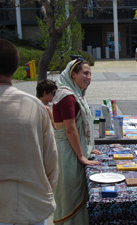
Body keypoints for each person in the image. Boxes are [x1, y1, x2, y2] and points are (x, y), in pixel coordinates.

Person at [0, 39, 58, 225]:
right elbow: (51, 159)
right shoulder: (34, 105)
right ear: (15, 66)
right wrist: (47, 192)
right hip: (32, 203)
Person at [52, 59, 101, 225]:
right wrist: (82, 155)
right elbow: (70, 129)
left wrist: (87, 148)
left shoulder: (76, 94)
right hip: (67, 153)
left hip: (72, 148)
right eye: (85, 73)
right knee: (70, 195)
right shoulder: (67, 96)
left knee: (75, 194)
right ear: (73, 74)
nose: (88, 77)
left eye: (90, 74)